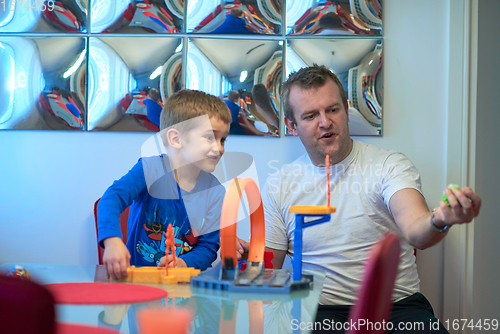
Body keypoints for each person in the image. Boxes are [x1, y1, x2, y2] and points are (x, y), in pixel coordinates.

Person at [262, 65, 481, 333]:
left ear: (346, 109)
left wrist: (439, 220)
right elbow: (266, 268)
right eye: (310, 115)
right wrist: (240, 255)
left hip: (398, 310)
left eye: (333, 109)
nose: (325, 122)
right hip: (319, 312)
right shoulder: (279, 184)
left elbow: (417, 232)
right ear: (292, 126)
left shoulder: (390, 165)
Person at [97, 90, 232, 280]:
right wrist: (112, 242)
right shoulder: (149, 170)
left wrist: (185, 263)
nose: (219, 148)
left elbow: (208, 247)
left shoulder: (216, 192)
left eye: (223, 139)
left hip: (183, 291)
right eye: (210, 137)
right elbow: (110, 199)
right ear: (176, 139)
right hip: (138, 285)